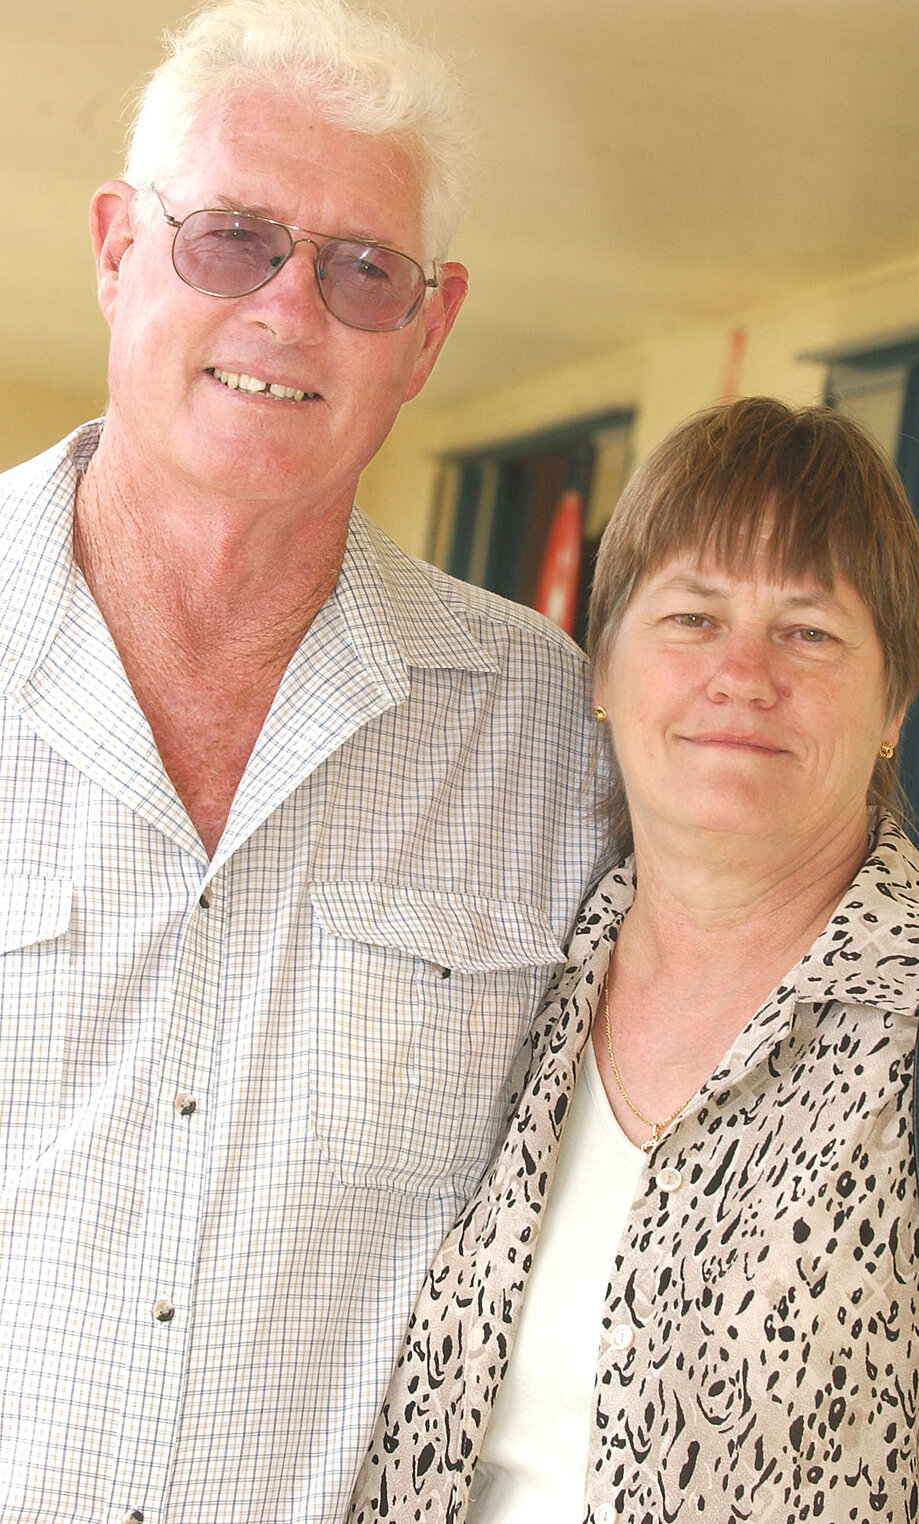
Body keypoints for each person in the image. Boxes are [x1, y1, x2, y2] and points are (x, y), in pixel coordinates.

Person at [0, 3, 610, 1520]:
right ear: (115, 248)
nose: (289, 308)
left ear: (429, 329)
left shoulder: (546, 732)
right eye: (230, 238)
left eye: (359, 269)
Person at [349, 398, 919, 1524]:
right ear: (601, 672)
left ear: (894, 699)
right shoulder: (521, 967)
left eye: (808, 630)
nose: (742, 674)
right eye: (692, 617)